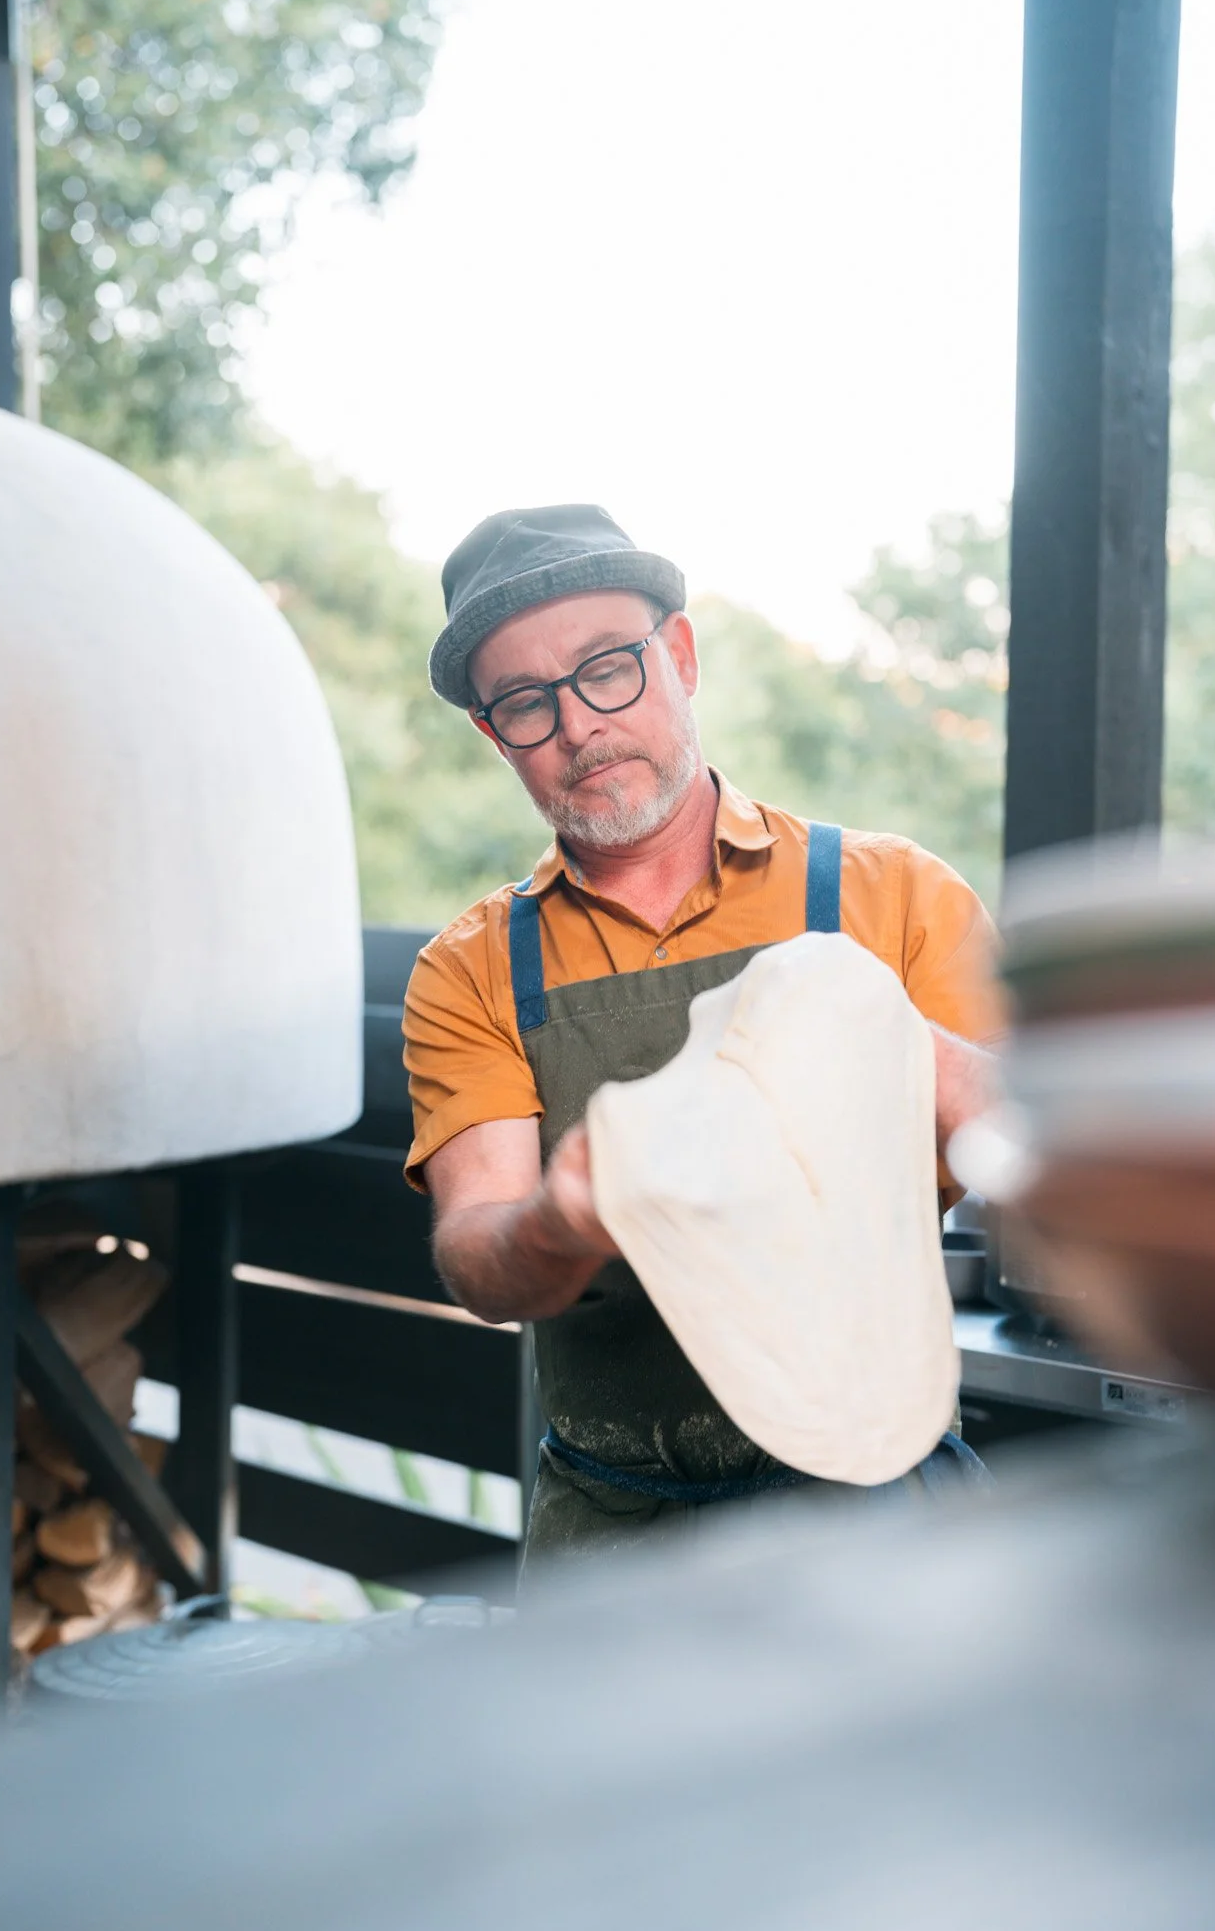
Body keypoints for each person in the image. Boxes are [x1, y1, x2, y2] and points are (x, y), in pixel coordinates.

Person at [402, 504, 1005, 1562]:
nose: (580, 724)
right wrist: (563, 1218)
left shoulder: (895, 896)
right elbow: (479, 1255)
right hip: (613, 1535)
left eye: (607, 669)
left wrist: (887, 1039)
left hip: (878, 1510)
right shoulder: (473, 968)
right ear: (493, 735)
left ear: (678, 655)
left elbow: (1039, 1156)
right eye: (527, 704)